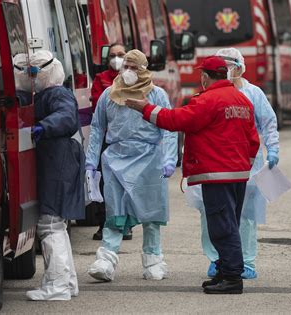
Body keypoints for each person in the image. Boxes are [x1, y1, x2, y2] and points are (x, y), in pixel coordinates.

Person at [127, 56, 260, 294]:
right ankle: (224, 271)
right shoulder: (241, 100)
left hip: (217, 174)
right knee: (229, 223)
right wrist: (243, 166)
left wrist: (145, 108)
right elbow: (253, 140)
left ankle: (231, 278)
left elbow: (176, 120)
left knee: (222, 227)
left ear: (205, 77)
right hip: (237, 175)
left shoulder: (208, 100)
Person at [184, 48, 280, 281]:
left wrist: (273, 148)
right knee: (211, 213)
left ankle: (245, 261)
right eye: (222, 65)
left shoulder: (253, 93)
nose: (226, 70)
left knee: (246, 214)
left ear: (240, 67)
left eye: (230, 65)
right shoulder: (208, 94)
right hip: (216, 164)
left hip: (249, 163)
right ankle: (216, 259)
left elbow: (268, 123)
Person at [86, 49, 178, 282]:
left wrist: (169, 158)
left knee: (151, 213)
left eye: (133, 67)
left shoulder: (156, 95)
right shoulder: (109, 94)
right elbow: (97, 128)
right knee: (115, 211)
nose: (127, 70)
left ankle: (153, 259)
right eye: (125, 65)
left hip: (149, 159)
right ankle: (106, 259)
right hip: (116, 158)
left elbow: (168, 128)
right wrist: (91, 162)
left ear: (144, 69)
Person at [25, 50, 85, 301]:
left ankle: (58, 286)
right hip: (59, 162)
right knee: (57, 225)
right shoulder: (50, 94)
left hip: (58, 163)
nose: (30, 77)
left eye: (32, 72)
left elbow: (66, 117)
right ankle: (65, 282)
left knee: (50, 225)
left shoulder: (57, 94)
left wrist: (43, 126)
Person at [90, 43, 132, 241]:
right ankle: (104, 224)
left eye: (121, 55)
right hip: (108, 140)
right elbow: (101, 106)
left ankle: (127, 224)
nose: (117, 58)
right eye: (113, 55)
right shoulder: (101, 80)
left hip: (129, 140)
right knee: (105, 183)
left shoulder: (134, 80)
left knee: (127, 183)